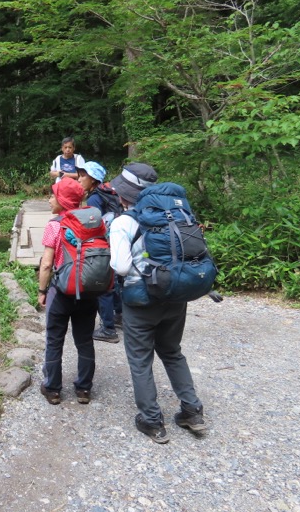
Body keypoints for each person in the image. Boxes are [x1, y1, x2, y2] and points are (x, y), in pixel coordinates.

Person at [109, 163, 209, 444]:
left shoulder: (124, 222)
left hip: (141, 301)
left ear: (123, 195)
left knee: (140, 360)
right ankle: (192, 411)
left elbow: (119, 266)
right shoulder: (174, 216)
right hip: (176, 295)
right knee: (172, 352)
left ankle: (152, 421)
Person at [37, 177, 97, 406]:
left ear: (62, 201)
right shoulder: (92, 221)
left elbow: (46, 264)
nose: (49, 198)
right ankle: (83, 389)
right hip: (88, 290)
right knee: (84, 340)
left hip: (61, 292)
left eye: (53, 195)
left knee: (54, 340)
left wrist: (42, 290)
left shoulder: (55, 225)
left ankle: (53, 389)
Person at [77, 161, 122, 344]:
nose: (79, 179)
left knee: (103, 286)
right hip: (115, 244)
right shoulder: (106, 194)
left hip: (103, 246)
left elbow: (93, 226)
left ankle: (108, 329)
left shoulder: (95, 198)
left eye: (83, 176)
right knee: (114, 281)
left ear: (93, 179)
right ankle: (119, 315)